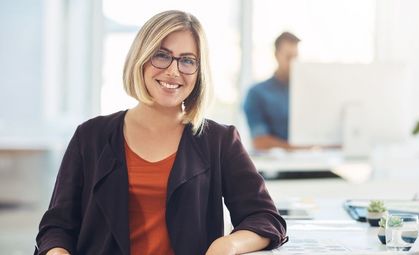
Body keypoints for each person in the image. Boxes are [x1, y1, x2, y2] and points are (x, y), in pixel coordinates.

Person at [35, 10, 287, 255]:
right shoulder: (90, 136)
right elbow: (57, 226)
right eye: (162, 55)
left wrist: (229, 244)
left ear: (199, 72)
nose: (174, 71)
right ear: (141, 59)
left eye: (188, 60)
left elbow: (265, 218)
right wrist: (57, 251)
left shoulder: (219, 141)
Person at [243, 32, 301, 150]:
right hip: (275, 166)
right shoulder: (257, 93)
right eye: (288, 57)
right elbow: (260, 142)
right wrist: (297, 148)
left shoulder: (306, 93)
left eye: (296, 57)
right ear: (276, 55)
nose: (293, 63)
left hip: (312, 162)